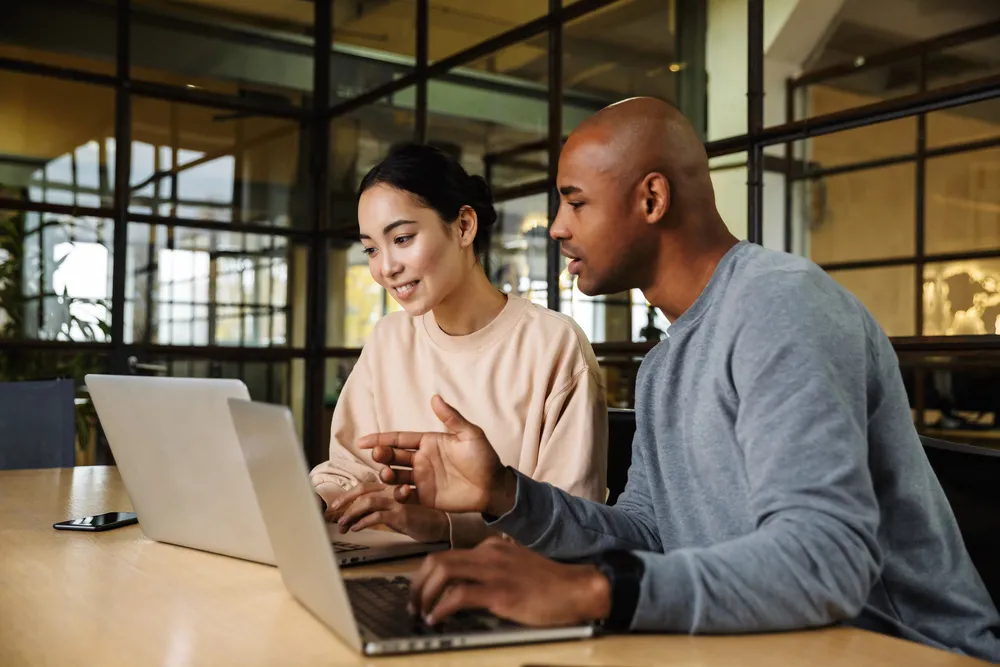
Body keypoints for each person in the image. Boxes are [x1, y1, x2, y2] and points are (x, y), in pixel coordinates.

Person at [358, 100, 1000, 661]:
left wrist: (593, 591)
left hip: (904, 653)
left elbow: (826, 560)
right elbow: (649, 534)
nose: (556, 226)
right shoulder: (666, 364)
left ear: (652, 199)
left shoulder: (781, 305)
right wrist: (506, 492)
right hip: (776, 643)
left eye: (575, 201)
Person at [309, 142, 608, 549]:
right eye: (371, 249)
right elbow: (349, 471)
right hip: (389, 568)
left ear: (464, 227)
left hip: (507, 588)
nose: (385, 267)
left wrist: (443, 526)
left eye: (402, 238)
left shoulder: (553, 345)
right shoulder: (389, 338)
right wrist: (309, 500)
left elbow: (574, 522)